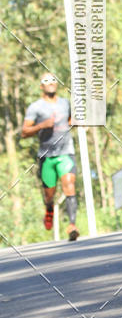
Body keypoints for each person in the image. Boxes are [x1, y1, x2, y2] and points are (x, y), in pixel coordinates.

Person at [22, 73, 79, 241]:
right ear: (41, 86)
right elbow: (24, 132)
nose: (51, 83)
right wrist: (41, 125)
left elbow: (71, 121)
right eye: (46, 81)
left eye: (54, 80)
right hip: (47, 156)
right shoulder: (36, 107)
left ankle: (72, 225)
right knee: (49, 195)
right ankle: (49, 209)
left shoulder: (65, 103)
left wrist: (75, 122)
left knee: (69, 184)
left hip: (66, 151)